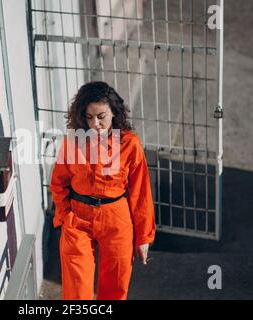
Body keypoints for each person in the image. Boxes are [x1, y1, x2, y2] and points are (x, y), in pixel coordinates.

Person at [49, 81, 156, 300]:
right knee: (77, 292)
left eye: (101, 116)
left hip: (116, 218)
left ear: (114, 113)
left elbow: (141, 192)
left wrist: (143, 237)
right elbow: (58, 182)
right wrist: (65, 216)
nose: (95, 123)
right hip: (77, 218)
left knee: (115, 289)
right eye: (88, 117)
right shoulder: (74, 141)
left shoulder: (129, 144)